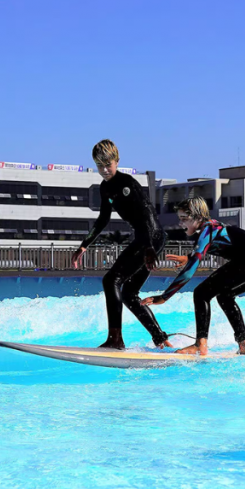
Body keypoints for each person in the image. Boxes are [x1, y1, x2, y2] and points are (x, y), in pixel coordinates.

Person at [141, 196, 245, 355]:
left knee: (201, 293)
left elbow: (189, 272)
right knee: (225, 296)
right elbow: (206, 250)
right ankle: (244, 344)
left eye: (184, 219)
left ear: (198, 217)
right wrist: (189, 257)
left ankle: (200, 344)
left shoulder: (207, 230)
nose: (181, 223)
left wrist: (164, 297)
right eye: (180, 219)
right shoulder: (212, 228)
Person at [71, 139, 170, 350]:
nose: (105, 170)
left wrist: (149, 248)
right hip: (147, 239)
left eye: (108, 164)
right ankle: (160, 338)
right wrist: (84, 245)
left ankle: (115, 340)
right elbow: (102, 219)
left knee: (111, 280)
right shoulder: (105, 188)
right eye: (100, 166)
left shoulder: (127, 183)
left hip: (151, 236)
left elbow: (146, 215)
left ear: (117, 161)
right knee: (128, 294)